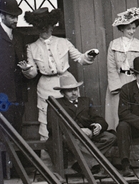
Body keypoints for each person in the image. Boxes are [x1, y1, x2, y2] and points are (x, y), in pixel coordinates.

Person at [18, 8, 99, 140]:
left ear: (52, 26)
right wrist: (27, 69)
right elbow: (33, 73)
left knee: (72, 113)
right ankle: (47, 150)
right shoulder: (31, 47)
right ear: (37, 28)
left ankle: (78, 147)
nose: (45, 30)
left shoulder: (63, 42)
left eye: (47, 27)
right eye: (41, 28)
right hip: (46, 86)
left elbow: (80, 58)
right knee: (46, 118)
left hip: (67, 83)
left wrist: (89, 55)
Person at [50, 72, 117, 170]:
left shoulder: (86, 101)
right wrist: (79, 131)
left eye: (75, 89)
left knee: (110, 137)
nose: (74, 93)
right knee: (75, 142)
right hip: (71, 135)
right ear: (62, 92)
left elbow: (98, 118)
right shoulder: (56, 104)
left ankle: (81, 163)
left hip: (89, 134)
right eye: (69, 91)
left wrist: (98, 126)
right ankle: (94, 164)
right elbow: (51, 127)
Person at [105, 6, 139, 129]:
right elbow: (111, 67)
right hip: (119, 79)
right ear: (122, 29)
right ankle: (117, 132)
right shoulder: (113, 44)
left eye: (134, 28)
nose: (131, 31)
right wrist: (116, 86)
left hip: (134, 79)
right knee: (117, 108)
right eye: (128, 28)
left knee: (134, 108)